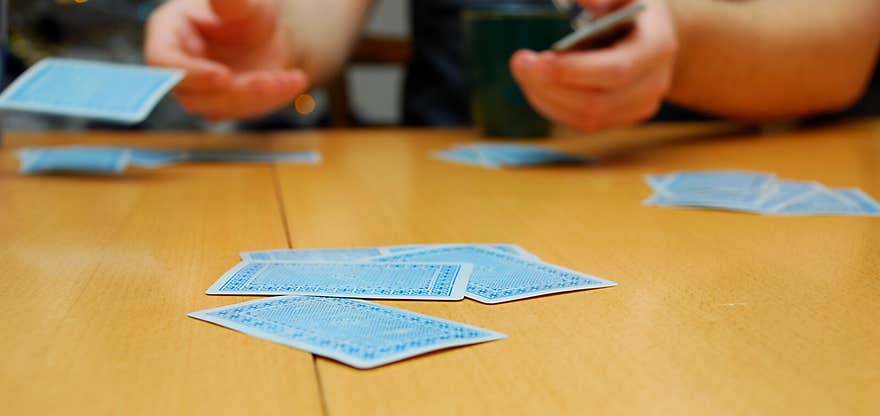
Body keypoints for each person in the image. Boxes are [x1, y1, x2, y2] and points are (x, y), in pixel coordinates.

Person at [144, 0, 880, 129]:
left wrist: (684, 41)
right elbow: (318, 17)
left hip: (735, 244)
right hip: (441, 195)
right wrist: (276, 42)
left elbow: (845, 46)